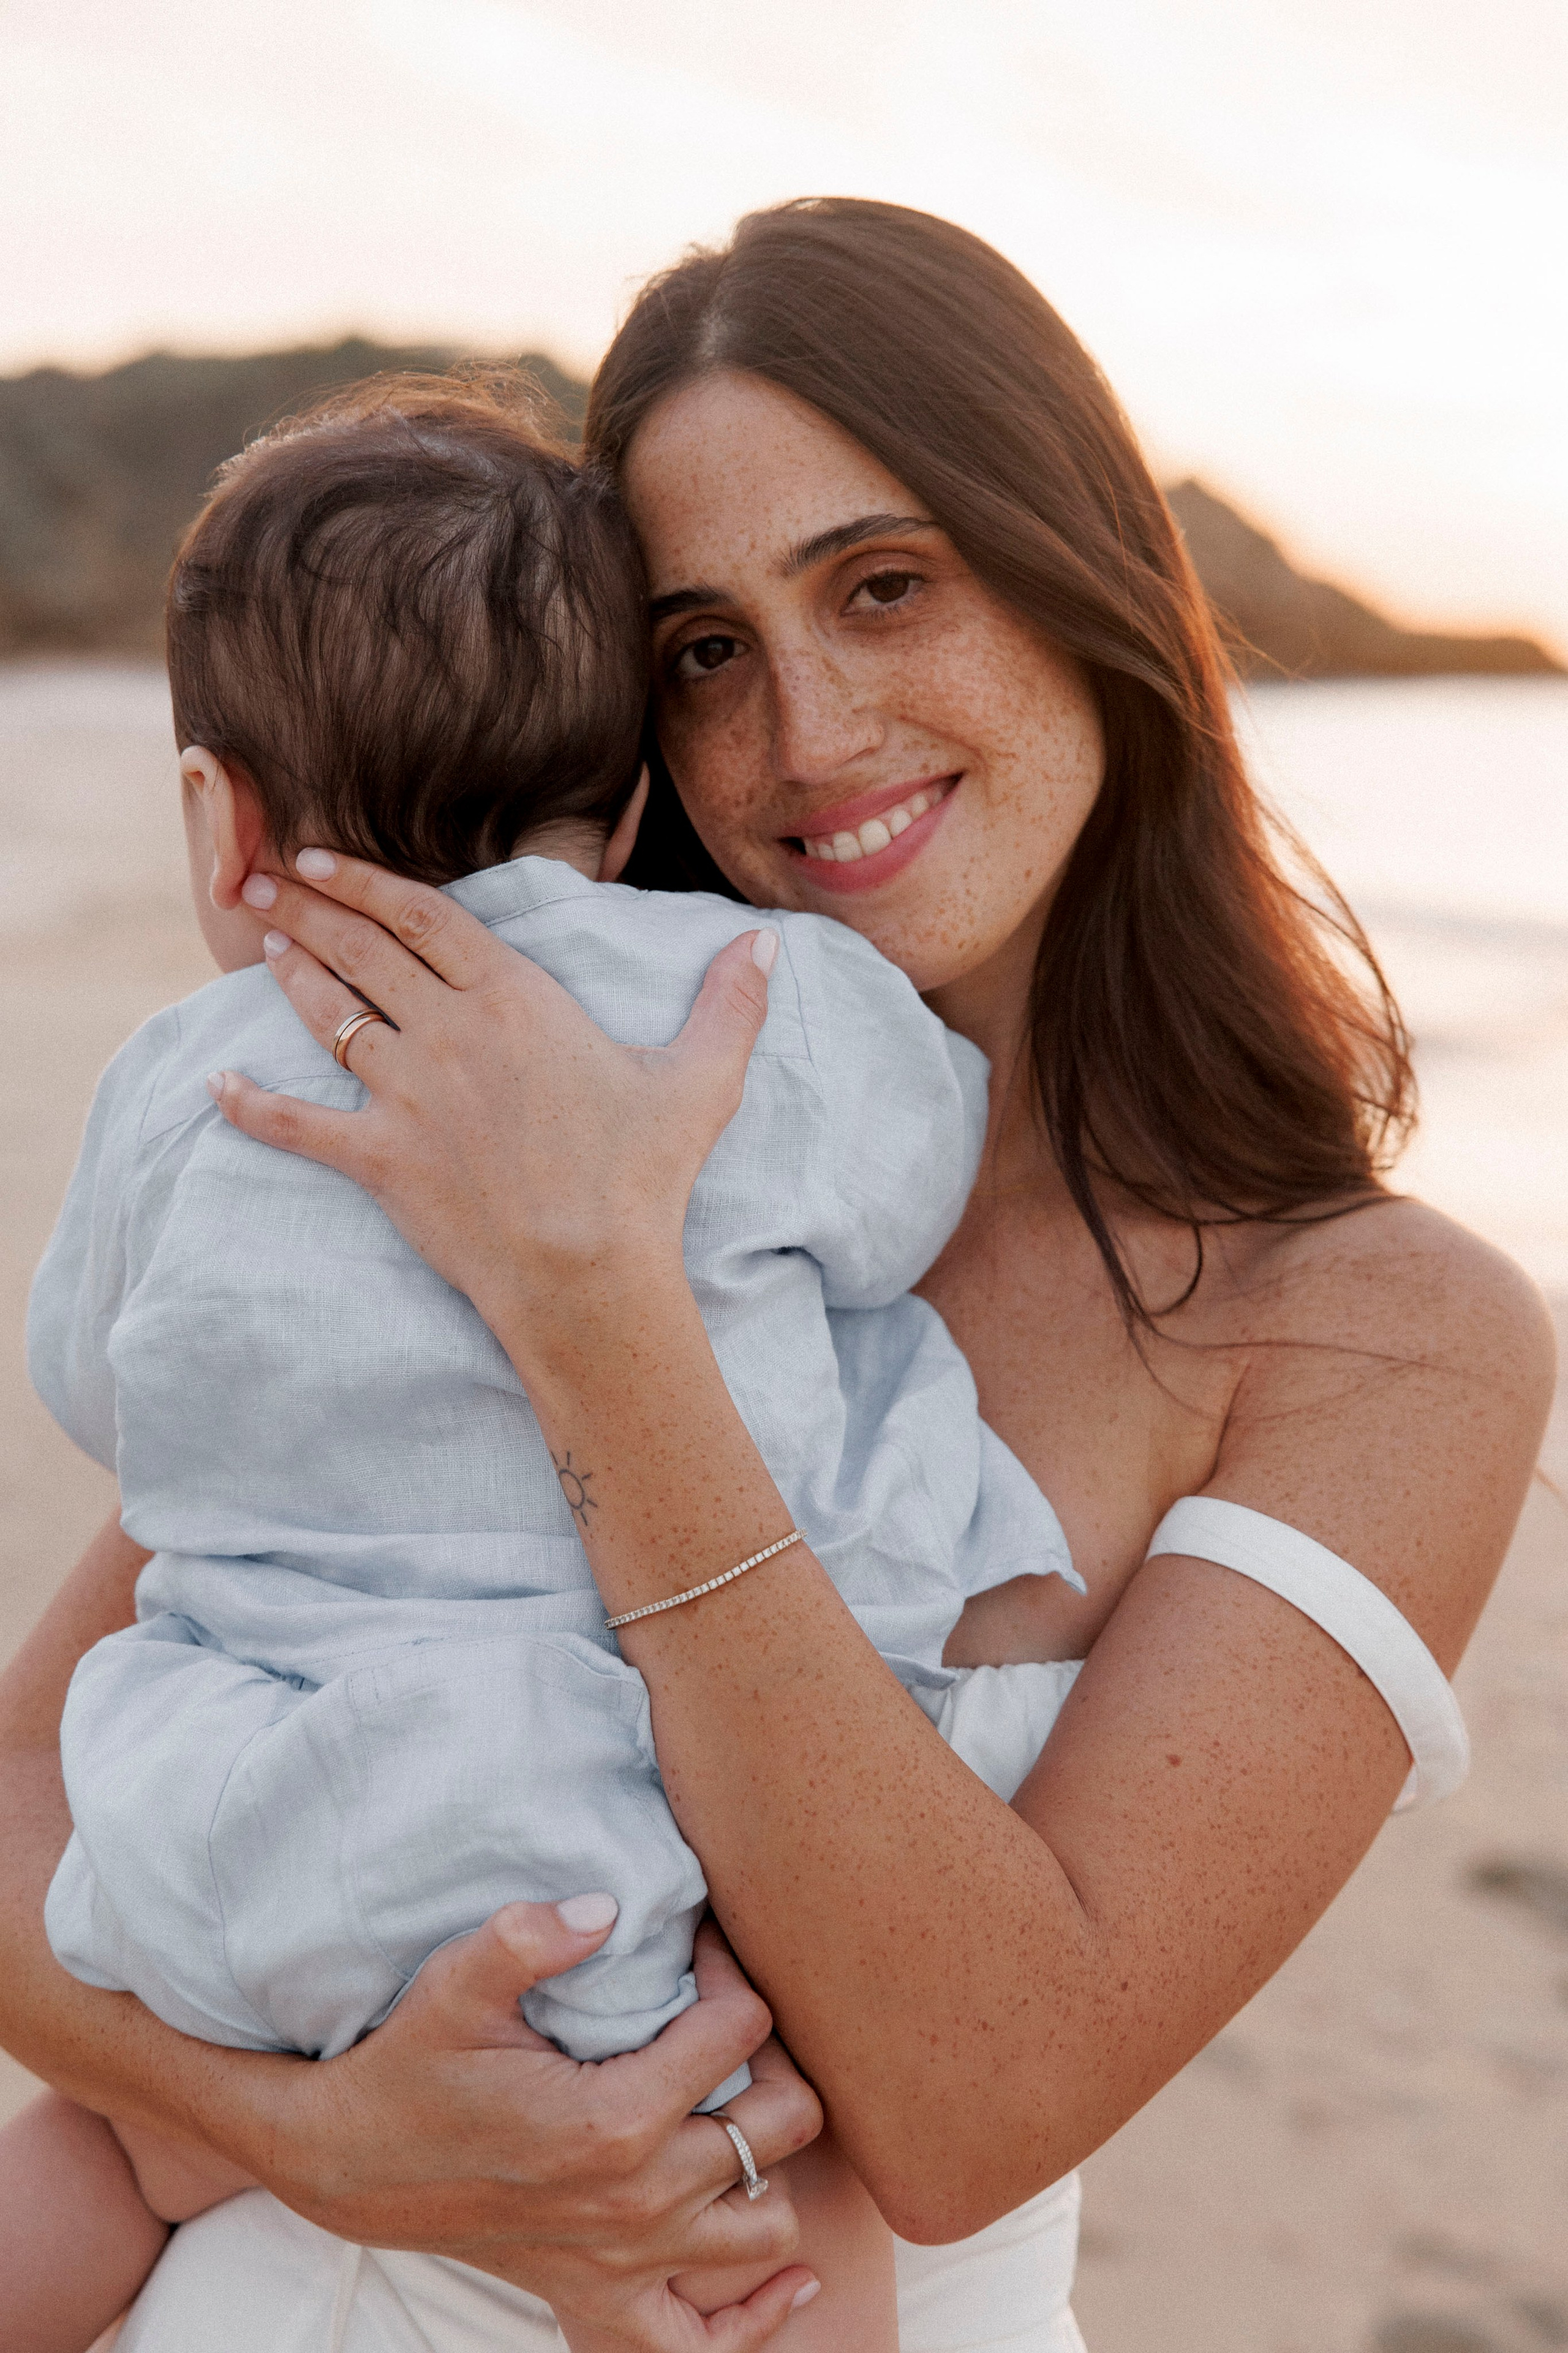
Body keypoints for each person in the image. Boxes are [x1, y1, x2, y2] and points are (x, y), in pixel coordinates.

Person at [0, 198, 1552, 2353]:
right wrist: (320, 2135)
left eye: (885, 585)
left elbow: (970, 2105)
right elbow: (25, 1801)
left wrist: (593, 1298)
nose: (809, 735)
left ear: (1086, 579)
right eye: (706, 653)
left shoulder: (1388, 1336)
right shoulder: (465, 1086)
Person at [6, 361, 1087, 2351]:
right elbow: (911, 1190)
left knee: (106, 2146)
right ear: (637, 803)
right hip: (601, 1853)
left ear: (222, 825)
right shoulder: (750, 994)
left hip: (230, 1821)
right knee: (784, 2195)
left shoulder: (181, 1076)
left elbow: (97, 1381)